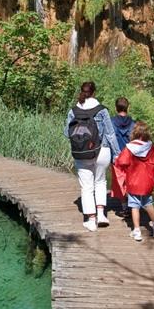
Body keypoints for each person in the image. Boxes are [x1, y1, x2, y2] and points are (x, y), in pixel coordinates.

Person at [64, 81, 120, 232]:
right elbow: (110, 133)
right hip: (102, 151)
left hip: (81, 153)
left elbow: (66, 132)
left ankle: (91, 220)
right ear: (94, 92)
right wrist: (117, 154)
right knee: (100, 182)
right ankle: (102, 215)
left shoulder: (73, 111)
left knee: (87, 187)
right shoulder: (101, 110)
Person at [114, 121, 154, 241]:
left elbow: (121, 162)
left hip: (133, 182)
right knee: (148, 203)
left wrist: (118, 162)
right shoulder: (151, 148)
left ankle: (137, 231)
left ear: (134, 133)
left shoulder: (129, 148)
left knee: (134, 206)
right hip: (147, 182)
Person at [110, 97, 135, 216]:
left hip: (117, 156)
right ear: (128, 107)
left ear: (116, 108)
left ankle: (124, 206)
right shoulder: (133, 123)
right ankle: (132, 205)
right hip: (130, 156)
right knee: (130, 180)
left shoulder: (111, 122)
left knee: (119, 181)